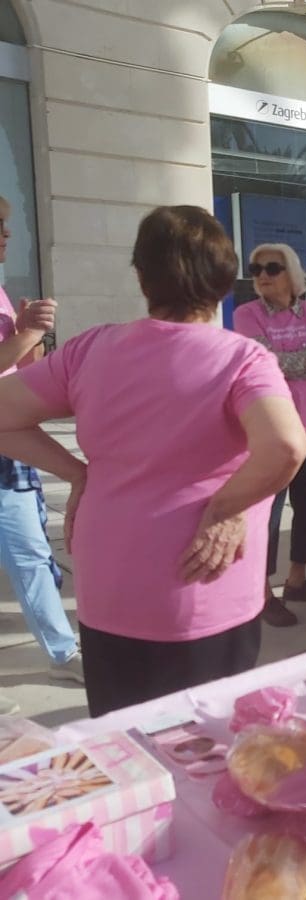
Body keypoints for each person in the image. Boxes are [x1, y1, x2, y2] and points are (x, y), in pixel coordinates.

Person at [0, 205, 306, 717]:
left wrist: (78, 473)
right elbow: (286, 447)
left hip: (108, 588)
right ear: (224, 280)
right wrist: (226, 507)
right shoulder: (242, 359)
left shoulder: (90, 349)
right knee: (202, 746)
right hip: (204, 592)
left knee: (124, 742)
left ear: (142, 278)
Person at [0, 198, 83, 715]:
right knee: (30, 552)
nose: (7, 235)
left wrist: (28, 343)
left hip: (9, 445)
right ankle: (62, 652)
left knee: (32, 553)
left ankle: (62, 651)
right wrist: (29, 333)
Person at [235, 244, 306, 628]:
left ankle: (297, 579)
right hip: (272, 424)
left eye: (272, 268)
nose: (262, 275)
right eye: (256, 268)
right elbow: (264, 363)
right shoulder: (246, 314)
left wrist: (288, 360)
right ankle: (261, 593)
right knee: (268, 510)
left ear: (292, 273)